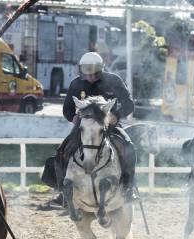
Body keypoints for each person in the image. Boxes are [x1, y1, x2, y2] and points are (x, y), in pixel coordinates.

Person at [55, 51, 137, 201]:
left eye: (94, 74)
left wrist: (115, 115)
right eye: (88, 74)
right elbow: (67, 108)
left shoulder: (114, 80)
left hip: (109, 127)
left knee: (129, 148)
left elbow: (129, 104)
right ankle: (63, 190)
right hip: (83, 128)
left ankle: (128, 188)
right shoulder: (76, 84)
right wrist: (72, 117)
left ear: (101, 69)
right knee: (61, 151)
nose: (91, 77)